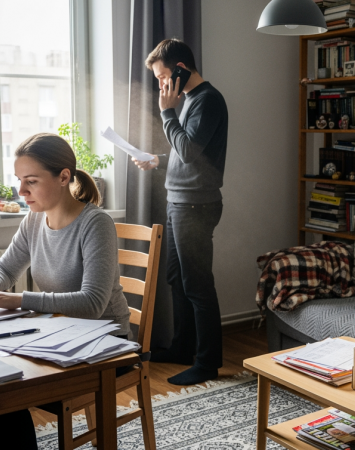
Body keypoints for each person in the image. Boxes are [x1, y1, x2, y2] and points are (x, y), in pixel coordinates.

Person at [0, 132, 131, 450]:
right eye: (19, 180)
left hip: (105, 343)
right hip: (59, 331)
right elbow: (4, 269)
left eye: (31, 180)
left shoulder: (95, 224)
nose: (21, 191)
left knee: (1, 389)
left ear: (63, 177)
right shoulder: (34, 219)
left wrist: (17, 299)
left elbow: (94, 304)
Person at [132, 38, 228, 386]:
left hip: (196, 205)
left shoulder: (209, 101)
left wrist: (166, 111)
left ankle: (207, 362)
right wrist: (157, 160)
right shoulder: (190, 101)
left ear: (180, 69)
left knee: (198, 285)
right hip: (178, 201)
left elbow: (187, 150)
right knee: (176, 278)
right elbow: (186, 151)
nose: (160, 85)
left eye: (162, 77)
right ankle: (182, 348)